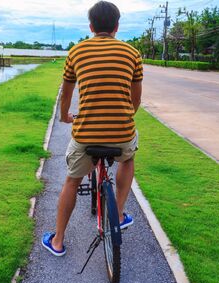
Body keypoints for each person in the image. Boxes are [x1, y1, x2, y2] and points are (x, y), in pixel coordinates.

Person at [42, 1, 143, 256]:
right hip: (122, 133)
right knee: (128, 158)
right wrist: (121, 118)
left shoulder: (76, 52)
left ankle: (58, 241)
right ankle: (118, 214)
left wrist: (65, 116)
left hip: (85, 135)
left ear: (91, 26)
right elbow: (136, 101)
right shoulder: (132, 53)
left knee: (72, 181)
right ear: (116, 27)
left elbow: (66, 96)